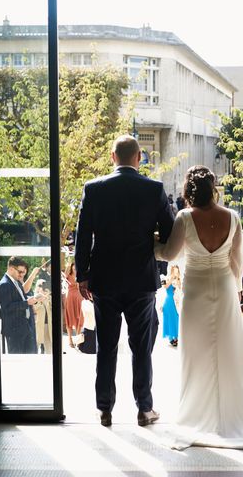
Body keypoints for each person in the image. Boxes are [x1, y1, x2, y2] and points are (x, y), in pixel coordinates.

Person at [155, 165, 243, 455]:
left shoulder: (185, 217)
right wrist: (235, 294)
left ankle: (195, 414)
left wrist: (152, 243)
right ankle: (233, 416)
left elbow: (169, 254)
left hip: (195, 291)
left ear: (189, 191)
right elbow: (236, 262)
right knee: (229, 352)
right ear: (214, 188)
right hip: (226, 289)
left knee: (196, 354)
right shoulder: (232, 217)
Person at [74, 134, 175, 427]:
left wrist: (83, 275)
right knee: (140, 347)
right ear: (139, 156)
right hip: (141, 280)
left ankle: (104, 409)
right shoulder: (153, 188)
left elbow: (83, 237)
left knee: (106, 347)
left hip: (104, 279)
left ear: (112, 157)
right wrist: (149, 239)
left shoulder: (93, 189)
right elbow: (169, 232)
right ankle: (144, 408)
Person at [0, 256, 43, 354]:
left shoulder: (16, 281)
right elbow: (7, 308)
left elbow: (21, 299)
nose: (22, 275)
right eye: (20, 272)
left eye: (23, 272)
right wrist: (27, 302)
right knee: (17, 364)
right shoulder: (4, 284)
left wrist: (34, 299)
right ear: (10, 269)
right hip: (15, 331)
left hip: (25, 327)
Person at [64, 262, 84, 349]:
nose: (75, 268)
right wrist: (68, 265)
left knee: (79, 319)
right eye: (74, 267)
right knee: (69, 319)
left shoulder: (81, 275)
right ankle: (70, 340)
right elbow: (64, 276)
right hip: (70, 298)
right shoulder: (67, 275)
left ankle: (78, 340)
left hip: (79, 299)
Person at [162, 265, 181, 347]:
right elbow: (165, 287)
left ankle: (177, 337)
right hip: (168, 301)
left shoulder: (179, 280)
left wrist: (177, 281)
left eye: (177, 271)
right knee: (169, 319)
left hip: (176, 302)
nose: (175, 273)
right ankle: (171, 338)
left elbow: (180, 289)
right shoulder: (166, 278)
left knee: (176, 318)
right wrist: (171, 278)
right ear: (171, 271)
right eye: (174, 271)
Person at [33, 279, 53, 354]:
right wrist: (39, 298)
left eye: (44, 285)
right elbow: (35, 309)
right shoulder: (35, 297)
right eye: (40, 285)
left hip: (48, 325)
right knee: (36, 343)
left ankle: (49, 360)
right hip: (38, 324)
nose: (42, 287)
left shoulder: (48, 297)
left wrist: (47, 296)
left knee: (48, 345)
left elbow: (51, 307)